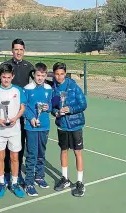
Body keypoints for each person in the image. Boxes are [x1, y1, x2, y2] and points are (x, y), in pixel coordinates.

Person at [0, 38, 34, 186]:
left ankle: (17, 173)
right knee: (3, 150)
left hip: (20, 113)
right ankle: (7, 173)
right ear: (12, 50)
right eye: (16, 49)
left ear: (24, 50)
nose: (19, 52)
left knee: (19, 144)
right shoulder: (5, 66)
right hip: (4, 115)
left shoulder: (29, 66)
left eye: (21, 49)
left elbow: (36, 83)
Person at [51, 62, 87, 197]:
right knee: (63, 151)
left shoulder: (73, 87)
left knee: (77, 153)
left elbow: (83, 104)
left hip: (75, 125)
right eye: (57, 74)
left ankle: (79, 182)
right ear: (54, 74)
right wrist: (56, 112)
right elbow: (53, 107)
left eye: (62, 74)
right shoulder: (53, 88)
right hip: (62, 125)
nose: (59, 77)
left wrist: (70, 109)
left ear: (65, 74)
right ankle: (65, 178)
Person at [0, 63, 26, 199]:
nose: (6, 80)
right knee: (0, 156)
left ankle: (15, 183)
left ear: (13, 76)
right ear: (0, 76)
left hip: (14, 129)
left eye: (8, 77)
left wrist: (15, 118)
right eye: (4, 77)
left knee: (14, 157)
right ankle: (1, 183)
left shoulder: (18, 91)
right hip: (0, 129)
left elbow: (22, 108)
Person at [23, 63, 53, 197]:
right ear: (34, 75)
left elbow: (52, 104)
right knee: (32, 154)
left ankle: (39, 176)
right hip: (31, 127)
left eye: (43, 75)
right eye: (38, 75)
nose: (40, 78)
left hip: (45, 125)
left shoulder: (49, 88)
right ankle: (28, 182)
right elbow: (23, 108)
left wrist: (49, 107)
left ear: (46, 75)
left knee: (42, 152)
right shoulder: (27, 89)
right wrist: (30, 118)